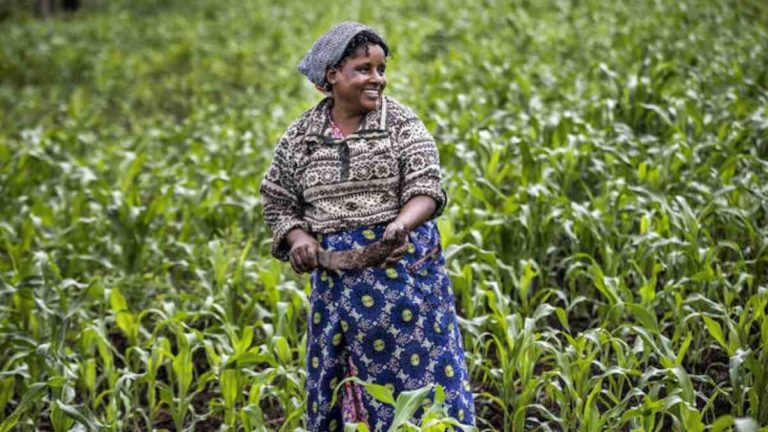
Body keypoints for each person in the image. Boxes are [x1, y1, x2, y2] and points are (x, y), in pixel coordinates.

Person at [260, 21, 475, 432]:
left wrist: (401, 224)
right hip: (337, 284)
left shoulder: (400, 124)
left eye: (380, 69)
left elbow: (426, 187)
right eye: (364, 69)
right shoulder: (301, 137)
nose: (377, 78)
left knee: (419, 380)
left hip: (405, 277)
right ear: (331, 75)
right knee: (344, 375)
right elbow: (277, 198)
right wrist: (299, 237)